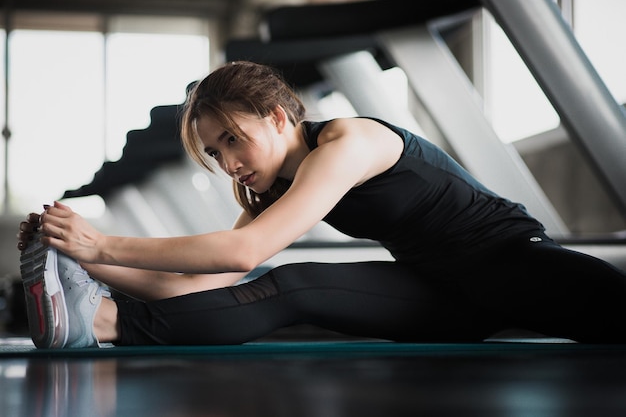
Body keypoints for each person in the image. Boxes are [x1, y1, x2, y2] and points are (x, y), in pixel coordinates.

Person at [17, 61, 626, 348]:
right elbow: (215, 279)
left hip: (512, 264)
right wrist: (90, 266)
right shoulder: (265, 186)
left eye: (234, 139)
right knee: (292, 288)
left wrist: (102, 243)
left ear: (279, 117)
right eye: (214, 150)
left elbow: (245, 249)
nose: (228, 162)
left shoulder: (349, 141)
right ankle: (102, 323)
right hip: (439, 291)